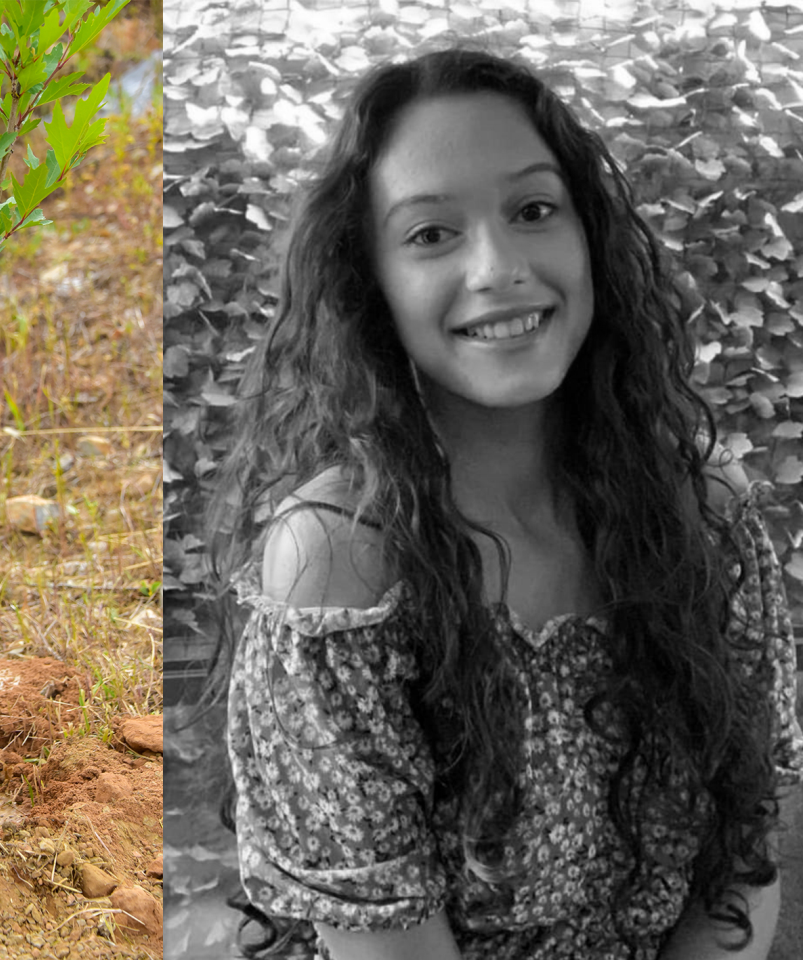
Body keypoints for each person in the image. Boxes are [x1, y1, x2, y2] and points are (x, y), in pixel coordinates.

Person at [207, 48, 803, 960]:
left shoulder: (710, 515)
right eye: (431, 234)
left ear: (588, 237)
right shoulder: (340, 565)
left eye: (533, 211)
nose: (499, 268)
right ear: (373, 284)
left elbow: (745, 853)